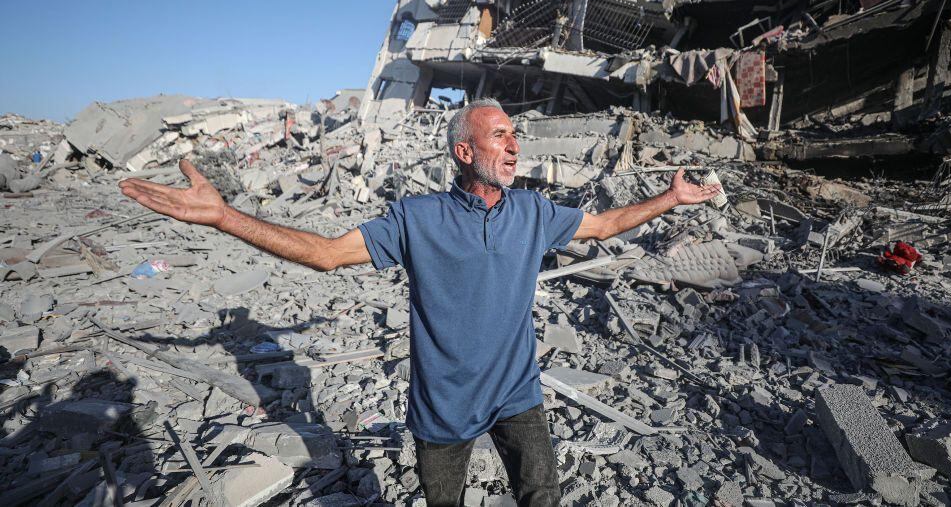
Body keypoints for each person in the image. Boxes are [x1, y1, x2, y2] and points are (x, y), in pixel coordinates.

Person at [119, 98, 721, 506]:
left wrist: (670, 198)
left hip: (518, 394)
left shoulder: (534, 212)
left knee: (542, 497)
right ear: (465, 152)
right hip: (444, 408)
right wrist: (224, 217)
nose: (515, 145)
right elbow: (326, 254)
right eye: (500, 135)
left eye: (515, 135)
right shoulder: (417, 219)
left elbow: (605, 225)